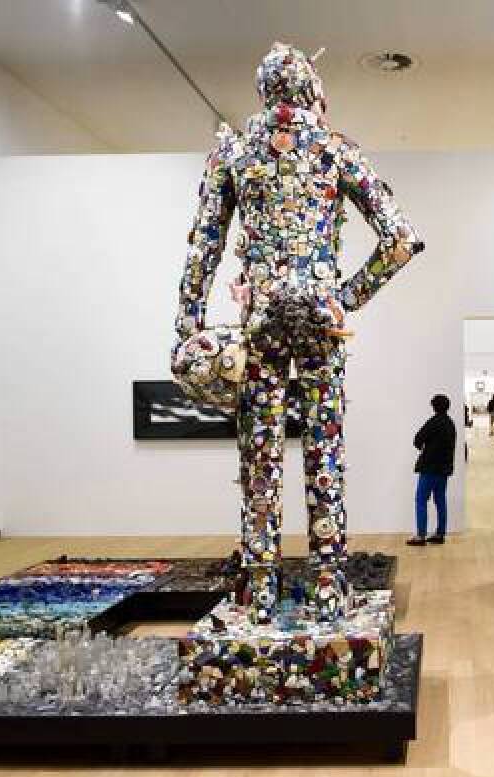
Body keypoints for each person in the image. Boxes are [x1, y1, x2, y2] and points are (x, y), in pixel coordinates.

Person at [172, 43, 423, 622]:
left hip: (258, 324)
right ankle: (328, 583)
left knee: (261, 454)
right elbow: (401, 239)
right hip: (319, 324)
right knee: (323, 448)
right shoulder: (336, 149)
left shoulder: (232, 153)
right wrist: (343, 299)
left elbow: (204, 249)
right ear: (314, 92)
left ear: (264, 93)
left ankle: (260, 588)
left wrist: (188, 325)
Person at [409, 394, 456, 546]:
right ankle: (440, 534)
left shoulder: (433, 422)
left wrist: (426, 447)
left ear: (434, 406)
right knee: (440, 500)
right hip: (444, 470)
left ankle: (421, 536)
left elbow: (417, 439)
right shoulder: (450, 424)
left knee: (421, 500)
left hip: (429, 469)